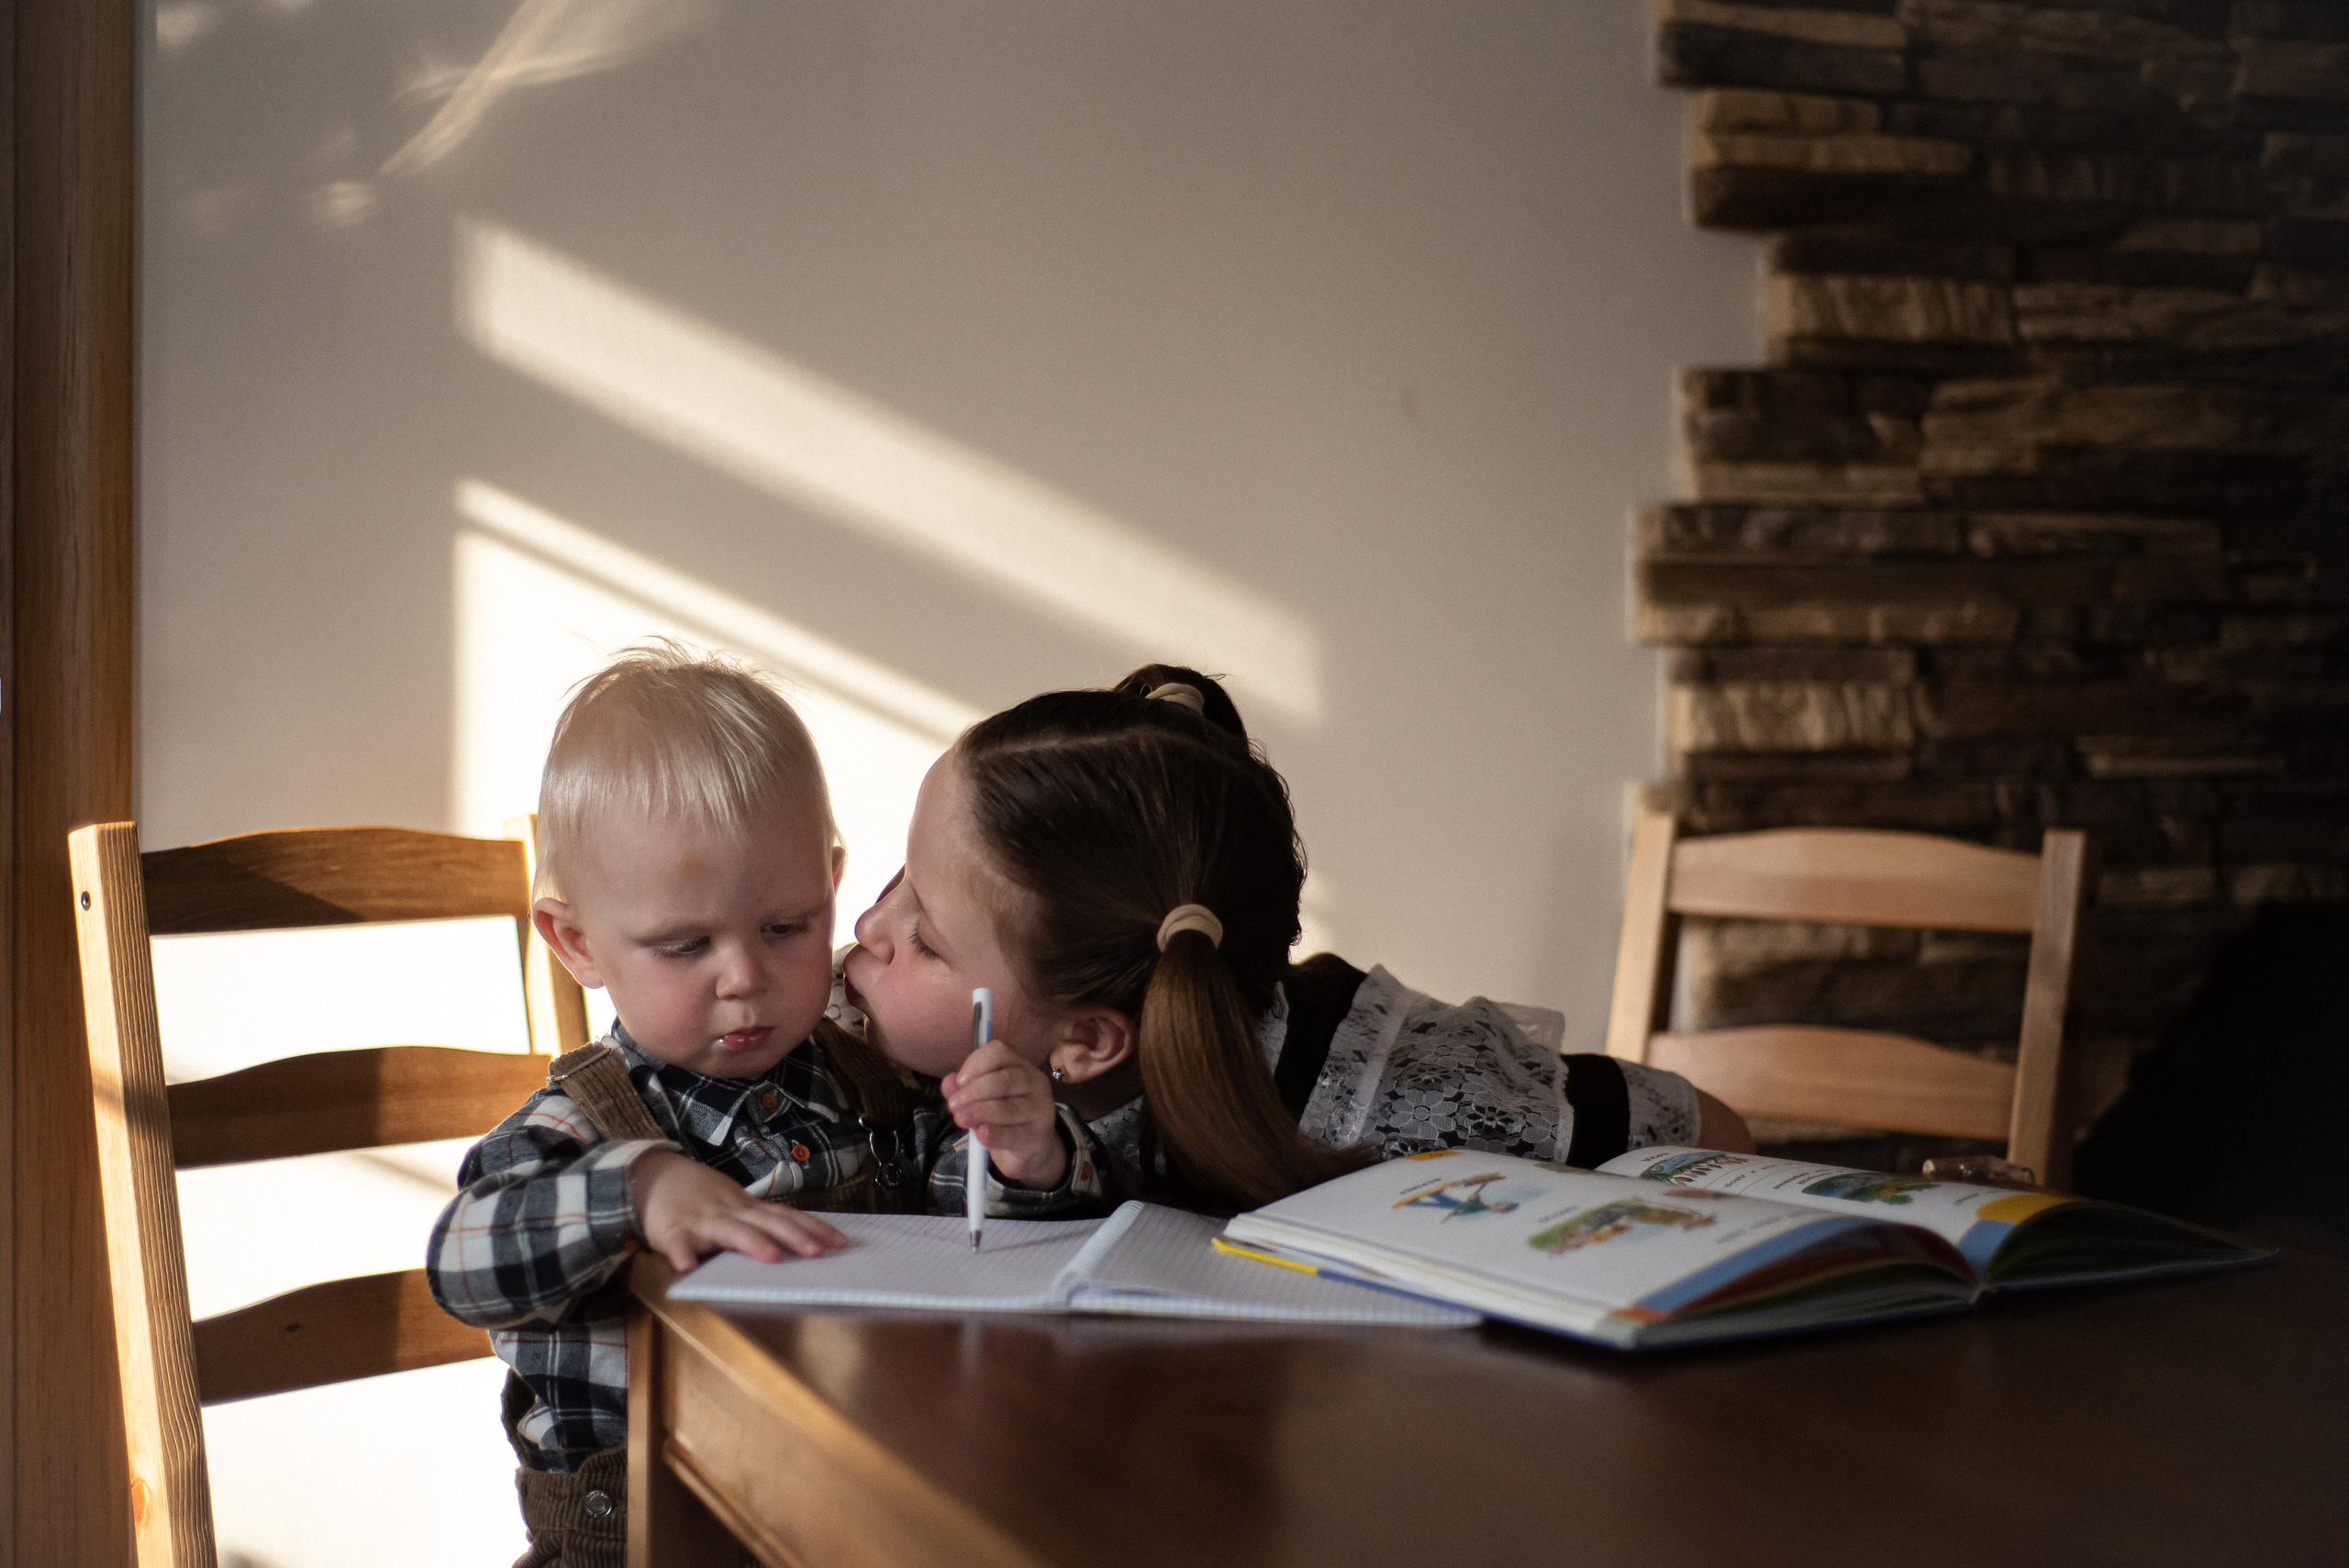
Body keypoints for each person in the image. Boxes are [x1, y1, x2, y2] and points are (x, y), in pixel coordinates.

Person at [427, 644, 1103, 1568]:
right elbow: (460, 1262)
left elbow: (973, 1240)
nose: (744, 976)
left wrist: (1025, 1152)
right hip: (642, 1542)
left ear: (830, 884)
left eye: (785, 926)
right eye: (684, 945)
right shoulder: (578, 1127)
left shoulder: (869, 1085)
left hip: (849, 1508)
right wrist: (636, 1191)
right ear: (577, 941)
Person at [841, 663, 1753, 1216]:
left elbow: (1713, 1133)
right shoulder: (855, 1032)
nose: (864, 928)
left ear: (1084, 1040)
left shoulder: (1389, 1103)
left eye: (923, 936)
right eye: (895, 881)